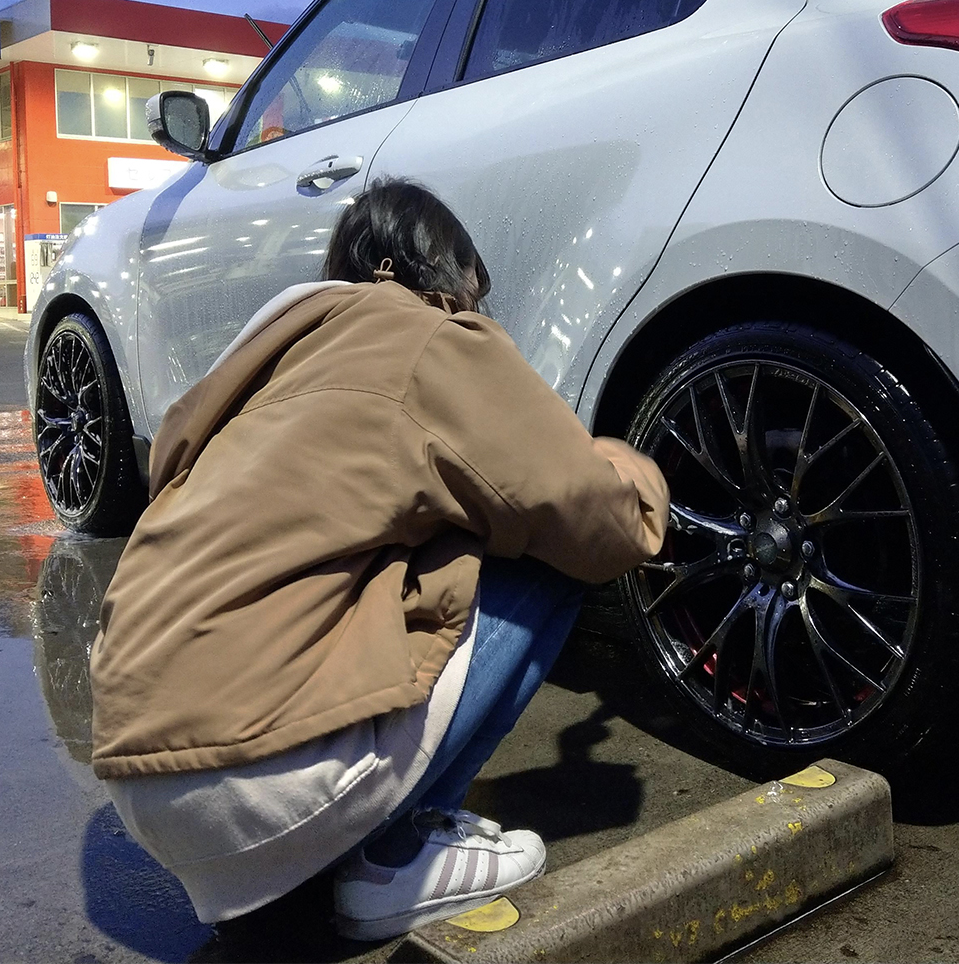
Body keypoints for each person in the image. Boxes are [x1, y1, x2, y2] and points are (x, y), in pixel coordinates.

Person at [88, 178, 669, 940]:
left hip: (140, 780)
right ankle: (395, 857)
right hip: (249, 778)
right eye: (473, 288)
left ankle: (302, 859)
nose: (478, 310)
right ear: (445, 271)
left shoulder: (263, 368)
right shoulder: (426, 336)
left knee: (418, 537)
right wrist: (628, 463)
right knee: (543, 552)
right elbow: (599, 524)